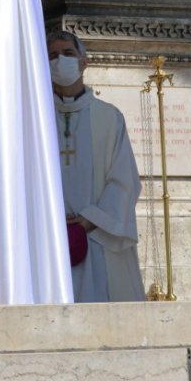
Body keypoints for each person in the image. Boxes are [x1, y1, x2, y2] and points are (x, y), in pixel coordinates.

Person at [48, 30, 145, 302]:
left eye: (68, 53)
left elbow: (124, 179)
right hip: (49, 235)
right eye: (53, 56)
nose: (60, 61)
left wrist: (91, 220)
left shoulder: (109, 117)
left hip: (99, 233)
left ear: (84, 62)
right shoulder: (34, 117)